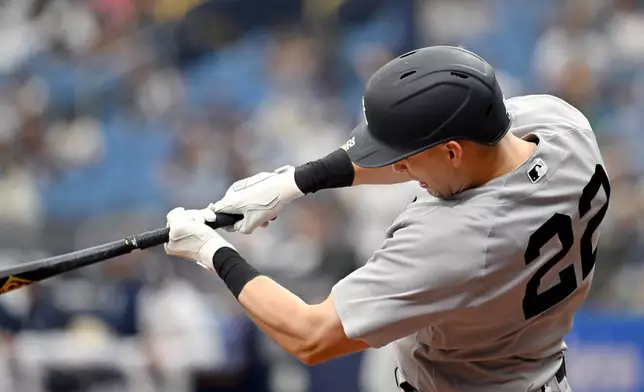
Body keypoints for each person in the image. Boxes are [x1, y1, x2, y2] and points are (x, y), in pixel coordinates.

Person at [163, 46, 611, 392]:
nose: (398, 170)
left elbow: (310, 335)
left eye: (407, 161)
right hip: (541, 369)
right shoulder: (564, 127)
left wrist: (212, 251)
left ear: (452, 152)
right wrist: (296, 182)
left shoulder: (455, 240)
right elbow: (444, 137)